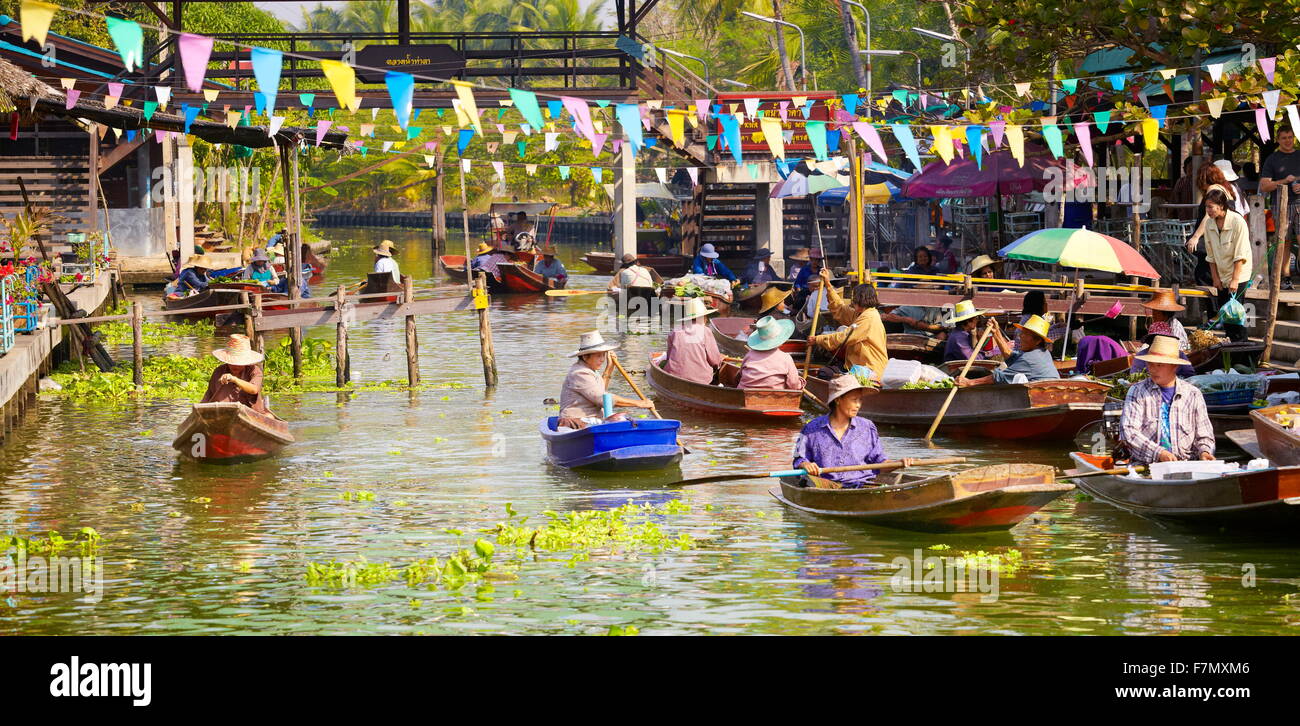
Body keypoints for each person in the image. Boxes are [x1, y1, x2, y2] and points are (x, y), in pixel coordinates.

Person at [792, 374, 915, 488]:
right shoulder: (811, 429)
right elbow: (799, 459)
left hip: (863, 484)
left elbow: (880, 463)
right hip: (826, 485)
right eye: (854, 400)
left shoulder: (867, 427)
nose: (858, 405)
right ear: (838, 400)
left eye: (860, 400)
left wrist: (899, 463)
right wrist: (806, 465)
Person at [1119, 335, 1215, 465]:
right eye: (1150, 364)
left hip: (1186, 465)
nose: (1153, 369)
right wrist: (1159, 453)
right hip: (1148, 465)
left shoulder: (1193, 394)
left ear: (1174, 366)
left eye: (1159, 365)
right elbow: (1129, 432)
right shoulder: (1137, 391)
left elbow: (1204, 435)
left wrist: (1205, 452)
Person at [558, 331, 654, 428]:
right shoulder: (579, 373)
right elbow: (602, 399)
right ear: (585, 356)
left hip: (590, 419)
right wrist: (639, 403)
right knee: (619, 421)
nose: (602, 359)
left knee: (622, 419)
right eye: (598, 355)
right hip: (574, 421)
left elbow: (601, 392)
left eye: (603, 355)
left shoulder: (590, 370)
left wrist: (609, 368)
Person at [808, 267, 888, 382]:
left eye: (854, 298)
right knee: (826, 371)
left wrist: (818, 339)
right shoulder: (860, 313)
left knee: (825, 373)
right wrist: (828, 284)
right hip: (855, 365)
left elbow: (844, 336)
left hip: (870, 369)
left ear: (860, 299)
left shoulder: (869, 317)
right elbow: (840, 309)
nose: (852, 301)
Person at [1202, 188, 1252, 342]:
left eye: (1211, 207)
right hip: (1221, 275)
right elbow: (1210, 256)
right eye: (1206, 207)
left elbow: (1240, 254)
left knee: (1235, 316)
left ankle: (1241, 350)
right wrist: (1215, 278)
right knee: (1226, 316)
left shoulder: (1237, 222)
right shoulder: (1209, 224)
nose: (1208, 210)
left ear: (1221, 206)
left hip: (1239, 274)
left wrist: (1235, 280)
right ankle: (1231, 352)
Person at [957, 314, 1060, 386]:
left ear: (1037, 341)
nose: (1020, 337)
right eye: (1022, 333)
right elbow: (1010, 356)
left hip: (1044, 395)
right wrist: (996, 332)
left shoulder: (1030, 359)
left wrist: (969, 382)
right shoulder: (1043, 352)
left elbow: (1000, 377)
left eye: (1025, 334)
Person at [1259, 125, 1300, 286]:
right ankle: (1286, 278)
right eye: (1284, 138)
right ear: (1278, 140)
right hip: (1281, 205)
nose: (1288, 141)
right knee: (1284, 242)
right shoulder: (1272, 159)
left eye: (1290, 137)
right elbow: (1264, 186)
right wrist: (1285, 181)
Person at [201, 334, 269, 415]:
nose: (235, 366)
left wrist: (234, 379)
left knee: (269, 416)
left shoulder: (255, 371)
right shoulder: (219, 371)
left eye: (239, 363)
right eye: (232, 362)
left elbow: (254, 390)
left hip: (251, 413)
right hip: (222, 414)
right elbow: (208, 395)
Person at [663, 298, 723, 384]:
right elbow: (715, 361)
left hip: (673, 376)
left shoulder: (675, 331)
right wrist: (719, 362)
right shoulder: (705, 331)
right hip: (701, 380)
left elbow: (669, 357)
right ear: (703, 317)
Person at [738, 316, 804, 390]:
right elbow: (793, 385)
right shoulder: (786, 358)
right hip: (775, 397)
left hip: (744, 395)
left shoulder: (749, 355)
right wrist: (801, 383)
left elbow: (741, 374)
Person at [1129, 322, 1196, 378]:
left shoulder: (1179, 355)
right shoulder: (1141, 357)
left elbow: (1190, 374)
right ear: (1150, 341)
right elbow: (1134, 377)